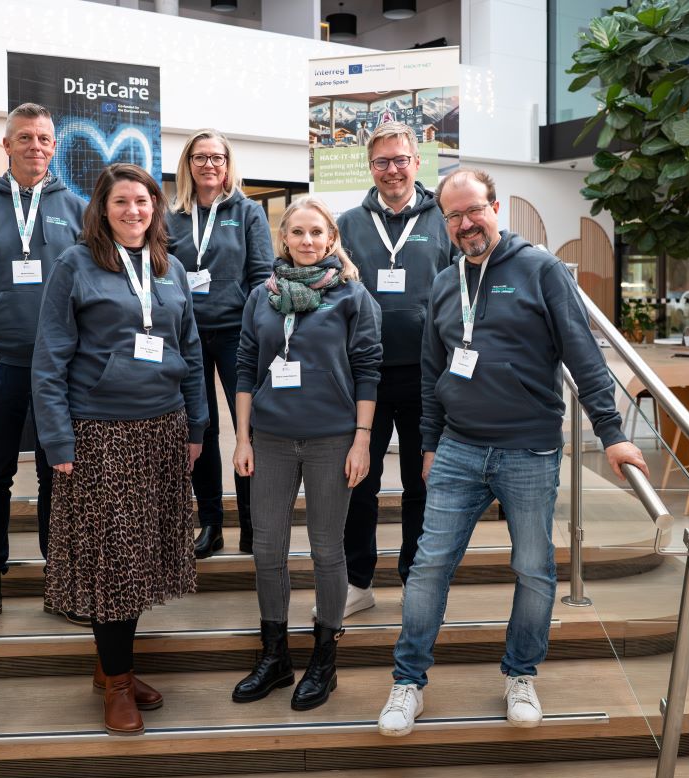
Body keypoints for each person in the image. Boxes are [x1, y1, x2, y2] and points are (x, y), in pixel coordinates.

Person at [376, 168, 647, 736]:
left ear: (495, 207)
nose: (465, 223)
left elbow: (583, 354)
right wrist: (429, 443)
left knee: (533, 568)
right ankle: (408, 683)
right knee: (428, 567)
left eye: (474, 210)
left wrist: (612, 432)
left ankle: (521, 675)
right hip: (458, 449)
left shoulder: (540, 269)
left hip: (528, 449)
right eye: (453, 215)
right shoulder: (445, 283)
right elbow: (431, 372)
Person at [32, 163, 207, 736]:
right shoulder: (75, 264)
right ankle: (118, 683)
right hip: (101, 433)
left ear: (156, 208)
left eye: (143, 201)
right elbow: (50, 358)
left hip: (162, 431)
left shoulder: (170, 268)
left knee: (140, 559)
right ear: (102, 210)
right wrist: (57, 438)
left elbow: (190, 351)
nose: (134, 211)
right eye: (122, 202)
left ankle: (111, 668)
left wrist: (197, 426)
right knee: (115, 564)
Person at [230, 197, 382, 712]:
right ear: (284, 239)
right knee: (267, 549)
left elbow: (368, 370)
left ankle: (324, 661)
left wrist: (362, 439)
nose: (308, 241)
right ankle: (275, 656)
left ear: (332, 238)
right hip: (271, 439)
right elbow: (246, 365)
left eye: (317, 232)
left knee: (326, 549)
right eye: (297, 232)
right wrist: (243, 437)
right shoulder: (262, 295)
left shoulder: (352, 296)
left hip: (331, 440)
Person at [0, 102, 86, 639]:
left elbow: (92, 289)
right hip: (0, 366)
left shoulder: (76, 209)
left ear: (54, 146)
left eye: (44, 138)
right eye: (24, 137)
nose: (35, 147)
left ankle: (61, 580)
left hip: (59, 373)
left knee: (58, 475)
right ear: (6, 145)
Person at [334, 121, 453, 618]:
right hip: (366, 375)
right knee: (358, 481)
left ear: (417, 162)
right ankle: (357, 580)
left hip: (428, 375)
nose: (392, 170)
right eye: (382, 162)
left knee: (421, 484)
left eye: (401, 160)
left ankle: (415, 580)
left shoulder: (444, 218)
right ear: (370, 167)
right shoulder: (348, 223)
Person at [167, 129, 274, 559]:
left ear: (228, 165)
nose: (209, 164)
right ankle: (211, 524)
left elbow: (262, 276)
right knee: (201, 427)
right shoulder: (171, 215)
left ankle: (252, 524)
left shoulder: (248, 212)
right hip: (187, 336)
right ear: (188, 164)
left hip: (237, 336)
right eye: (200, 157)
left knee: (249, 428)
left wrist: (256, 332)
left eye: (217, 157)